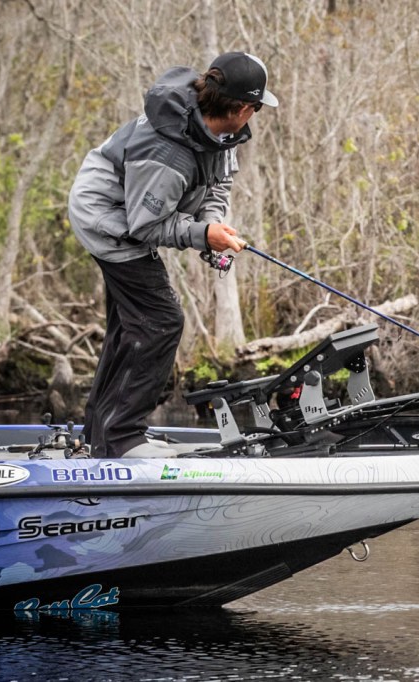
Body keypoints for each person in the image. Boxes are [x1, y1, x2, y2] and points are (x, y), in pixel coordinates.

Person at [68, 52, 278, 458]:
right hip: (105, 217)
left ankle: (99, 434)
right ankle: (121, 439)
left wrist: (212, 227)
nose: (256, 114)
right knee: (161, 322)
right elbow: (144, 226)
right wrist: (202, 235)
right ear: (240, 108)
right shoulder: (168, 154)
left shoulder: (223, 135)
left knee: (131, 326)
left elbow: (219, 184)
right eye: (256, 107)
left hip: (133, 214)